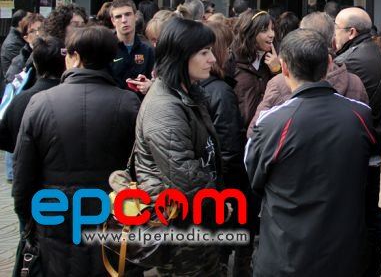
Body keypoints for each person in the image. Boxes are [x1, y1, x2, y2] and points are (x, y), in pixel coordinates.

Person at [246, 29, 376, 277]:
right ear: (328, 63)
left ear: (284, 67)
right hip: (342, 253)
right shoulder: (359, 114)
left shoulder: (272, 122)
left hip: (288, 255)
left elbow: (254, 175)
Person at [13, 26, 140, 277]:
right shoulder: (128, 103)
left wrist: (28, 220)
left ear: (75, 57)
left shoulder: (41, 102)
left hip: (54, 216)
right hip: (111, 215)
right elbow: (139, 167)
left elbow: (23, 174)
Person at [132, 17, 222, 276]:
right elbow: (184, 175)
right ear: (181, 56)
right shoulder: (165, 107)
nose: (212, 59)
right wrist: (218, 205)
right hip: (177, 226)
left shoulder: (185, 92)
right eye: (204, 52)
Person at [333, 7, 381, 275]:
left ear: (351, 32)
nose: (333, 34)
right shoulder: (373, 50)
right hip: (374, 146)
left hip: (363, 150)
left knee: (364, 222)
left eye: (336, 28)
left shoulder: (351, 60)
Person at [247, 12, 367, 137]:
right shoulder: (355, 83)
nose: (272, 34)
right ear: (333, 40)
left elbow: (254, 134)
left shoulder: (278, 83)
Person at [201, 20, 252, 276]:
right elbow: (229, 148)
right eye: (229, 48)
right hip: (221, 187)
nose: (232, 54)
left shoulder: (202, 86)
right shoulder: (220, 92)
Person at [0, 35, 65, 153]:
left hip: (24, 159)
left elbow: (5, 138)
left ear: (34, 63)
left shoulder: (20, 100)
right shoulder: (72, 97)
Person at [231, 10, 280, 127]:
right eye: (264, 30)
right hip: (240, 132)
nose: (271, 34)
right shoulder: (231, 60)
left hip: (265, 130)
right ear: (250, 32)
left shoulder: (273, 61)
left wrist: (277, 70)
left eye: (272, 29)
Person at [108, 0, 155, 95]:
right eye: (118, 16)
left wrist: (150, 86)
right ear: (113, 21)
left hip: (139, 103)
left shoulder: (148, 49)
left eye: (128, 14)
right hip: (112, 102)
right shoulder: (105, 48)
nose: (124, 20)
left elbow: (158, 80)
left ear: (135, 16)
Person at [1, 9, 28, 77]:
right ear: (21, 23)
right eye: (28, 21)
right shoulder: (13, 43)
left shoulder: (18, 38)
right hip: (14, 79)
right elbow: (23, 63)